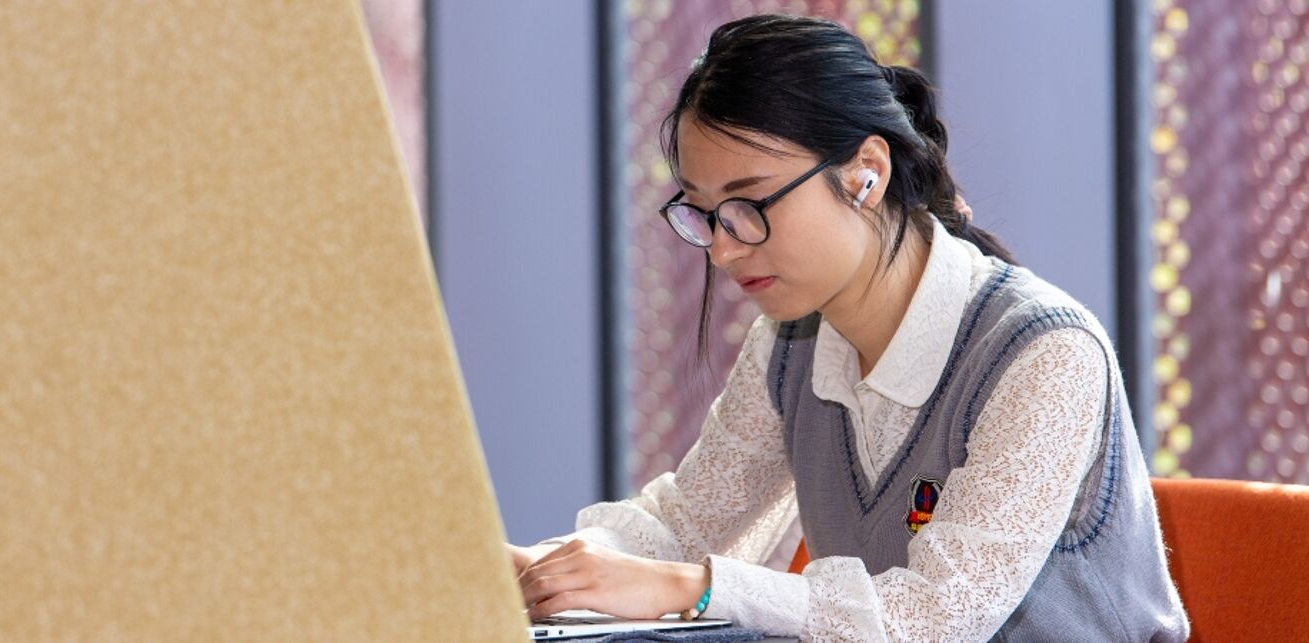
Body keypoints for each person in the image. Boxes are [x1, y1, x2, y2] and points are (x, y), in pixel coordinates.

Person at [510, 15, 1190, 641]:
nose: (723, 248)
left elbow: (937, 616)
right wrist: (536, 570)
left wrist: (696, 587)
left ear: (867, 173)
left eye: (749, 203)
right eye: (703, 212)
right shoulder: (788, 346)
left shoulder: (1046, 354)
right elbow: (684, 524)